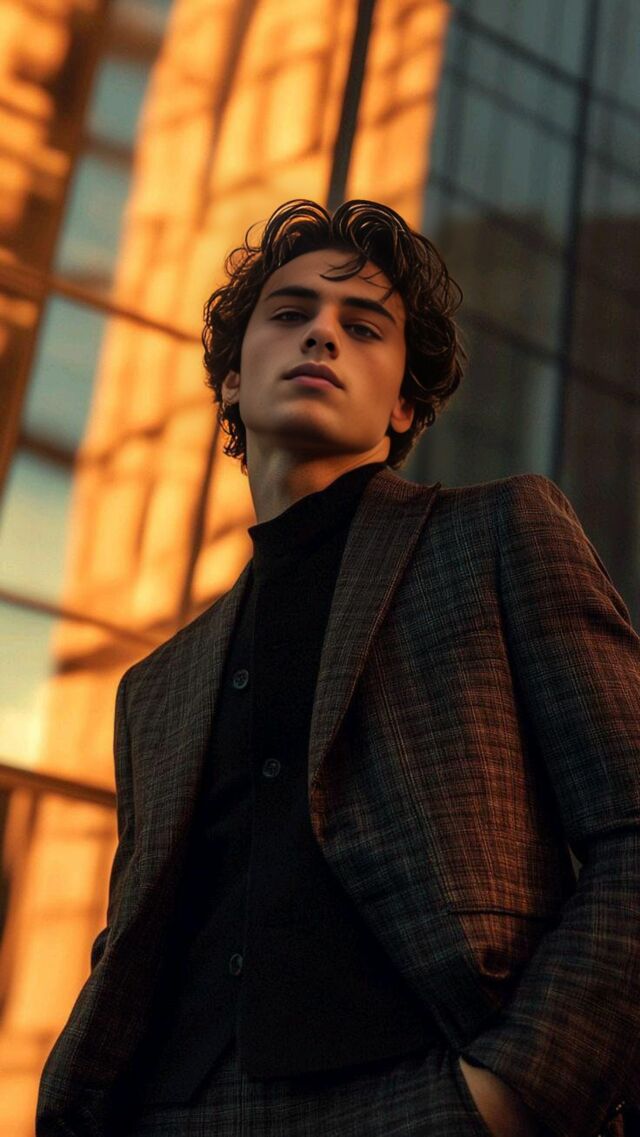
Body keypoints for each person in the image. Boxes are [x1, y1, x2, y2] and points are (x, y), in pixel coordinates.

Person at [36, 199, 640, 1137]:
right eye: (290, 313)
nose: (322, 332)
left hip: (420, 1095)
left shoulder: (496, 534)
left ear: (402, 404)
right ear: (233, 382)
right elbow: (137, 941)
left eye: (364, 327)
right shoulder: (153, 687)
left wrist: (517, 1089)